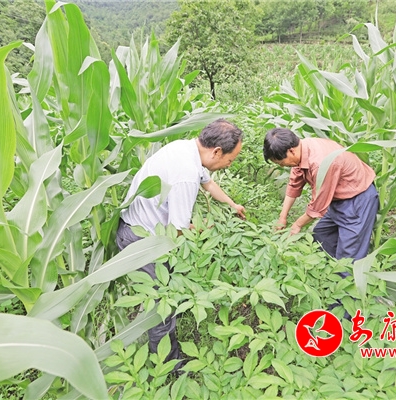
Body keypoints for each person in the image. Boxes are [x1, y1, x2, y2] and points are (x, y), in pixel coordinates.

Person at [116, 118, 245, 367]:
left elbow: (208, 182)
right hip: (141, 241)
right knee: (160, 307)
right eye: (230, 160)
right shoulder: (185, 173)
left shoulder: (186, 148)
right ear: (217, 152)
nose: (229, 164)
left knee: (164, 296)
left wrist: (232, 205)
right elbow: (178, 231)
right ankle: (167, 366)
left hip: (142, 230)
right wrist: (205, 230)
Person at [263, 127, 378, 263]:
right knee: (322, 236)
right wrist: (282, 217)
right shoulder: (301, 150)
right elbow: (294, 185)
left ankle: (346, 274)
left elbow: (318, 207)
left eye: (281, 162)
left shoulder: (320, 163)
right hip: (337, 199)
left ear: (291, 151)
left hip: (358, 199)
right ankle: (329, 270)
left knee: (348, 256)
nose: (282, 166)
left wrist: (297, 225)